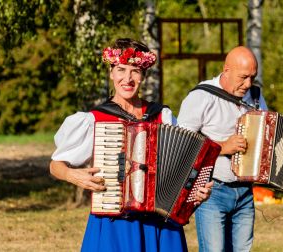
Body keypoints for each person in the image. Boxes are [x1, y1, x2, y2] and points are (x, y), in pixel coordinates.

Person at [49, 38, 212, 252]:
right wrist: (72, 175)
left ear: (143, 75)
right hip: (115, 224)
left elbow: (182, 168)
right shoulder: (94, 119)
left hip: (161, 224)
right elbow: (55, 165)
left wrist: (195, 192)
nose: (127, 78)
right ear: (111, 73)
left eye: (135, 71)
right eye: (121, 70)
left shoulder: (161, 116)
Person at [177, 46, 283, 252]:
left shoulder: (255, 95)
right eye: (243, 77)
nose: (248, 84)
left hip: (246, 192)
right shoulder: (201, 96)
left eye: (253, 78)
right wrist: (221, 147)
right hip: (213, 192)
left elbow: (268, 139)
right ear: (226, 70)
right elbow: (181, 144)